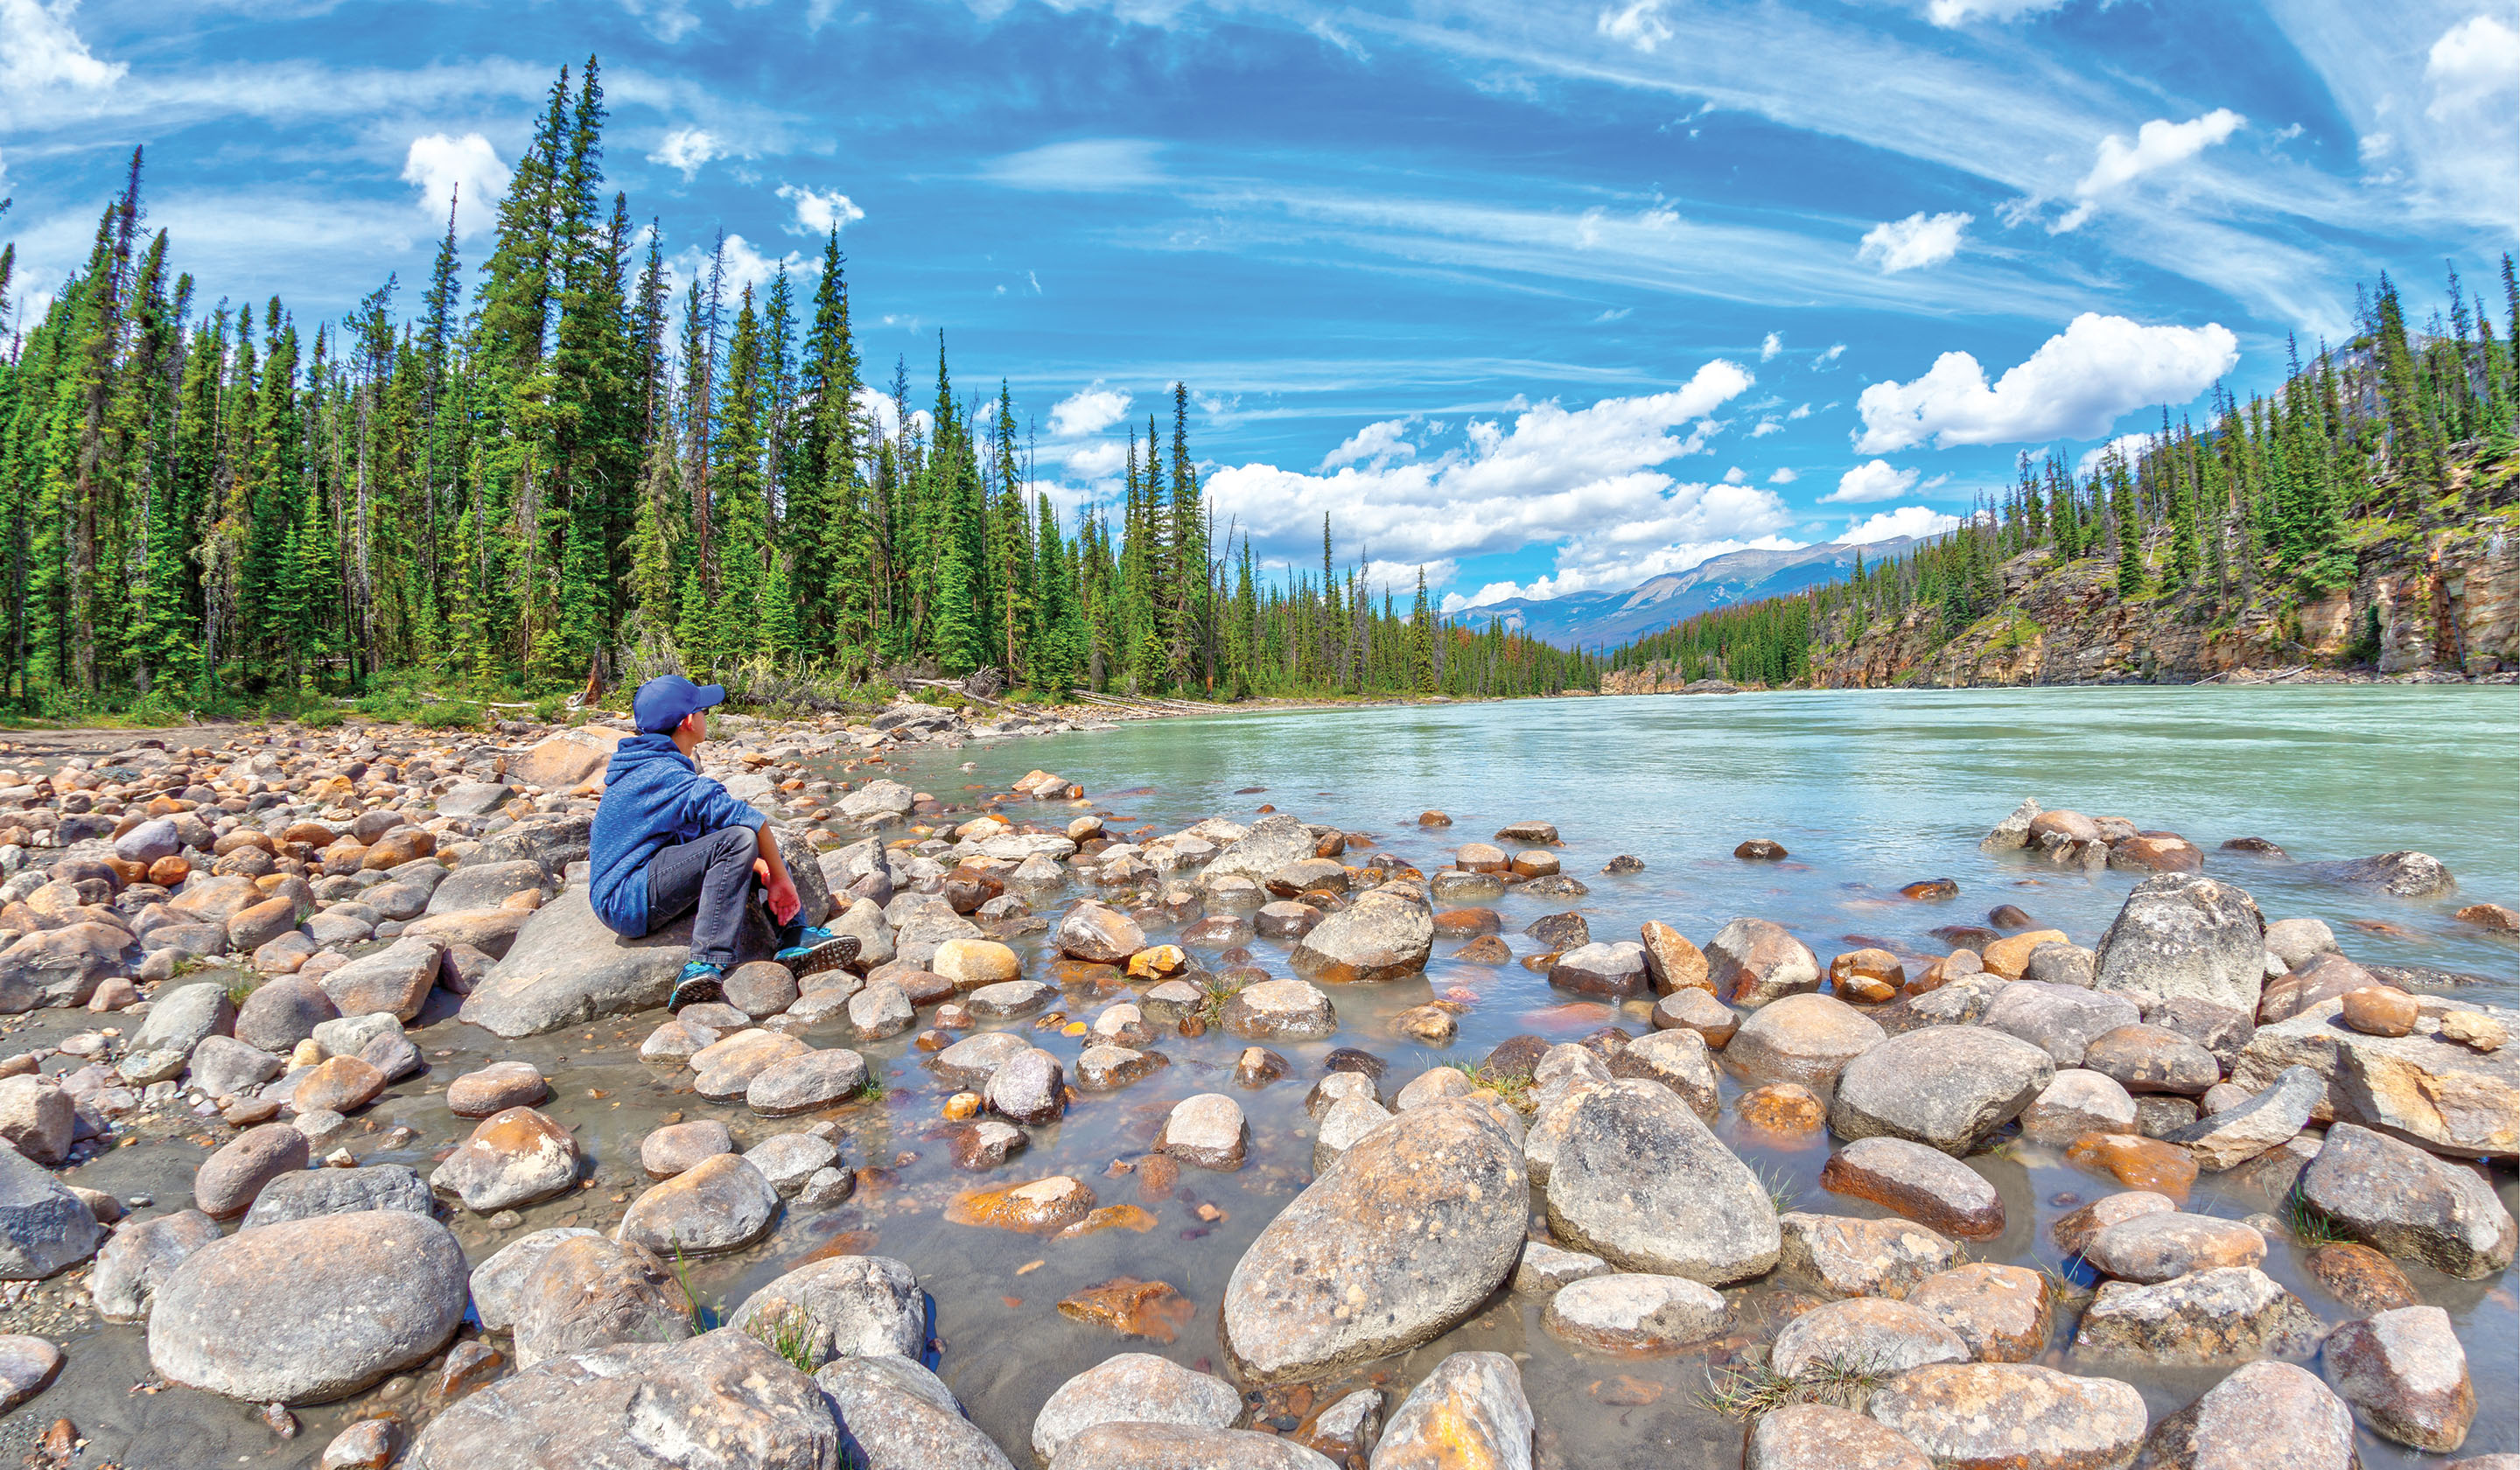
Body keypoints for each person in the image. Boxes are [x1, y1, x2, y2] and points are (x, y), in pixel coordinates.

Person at [589, 675, 853, 1011]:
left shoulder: (647, 762)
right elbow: (752, 821)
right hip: (626, 898)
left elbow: (692, 832)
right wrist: (782, 878)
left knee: (749, 852)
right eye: (703, 711)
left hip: (640, 880)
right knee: (741, 839)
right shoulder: (663, 774)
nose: (706, 716)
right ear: (688, 722)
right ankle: (703, 964)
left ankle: (792, 936)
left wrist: (760, 867)